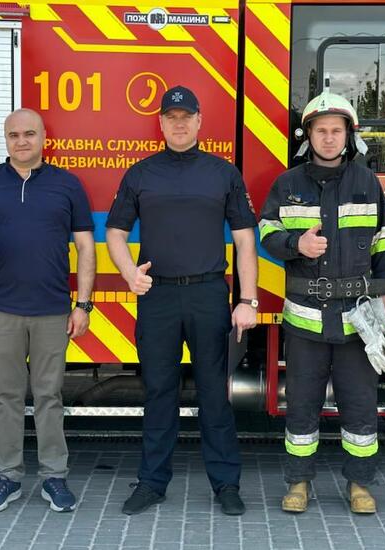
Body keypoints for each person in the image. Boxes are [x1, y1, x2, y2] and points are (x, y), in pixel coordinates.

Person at [106, 85, 258, 516]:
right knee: (159, 391)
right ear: (161, 123)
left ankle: (226, 484)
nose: (178, 124)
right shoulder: (140, 174)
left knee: (214, 393)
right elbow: (115, 233)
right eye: (171, 118)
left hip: (209, 293)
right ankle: (152, 483)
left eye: (186, 117)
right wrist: (129, 273)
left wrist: (247, 299)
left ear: (199, 121)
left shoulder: (223, 173)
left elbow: (245, 241)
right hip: (158, 296)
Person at [259, 90, 385, 514]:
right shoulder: (287, 184)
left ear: (348, 136)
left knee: (360, 406)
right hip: (306, 321)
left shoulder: (367, 183)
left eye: (336, 130)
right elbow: (266, 232)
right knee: (302, 407)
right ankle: (298, 482)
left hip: (358, 320)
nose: (328, 138)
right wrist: (295, 244)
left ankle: (360, 485)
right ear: (308, 135)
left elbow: (384, 242)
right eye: (320, 130)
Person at [0, 109, 95, 514]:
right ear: (6, 139)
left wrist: (83, 305)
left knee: (49, 396)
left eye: (29, 133)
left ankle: (54, 477)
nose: (21, 141)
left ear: (44, 137)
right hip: (2, 308)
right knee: (7, 396)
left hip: (52, 309)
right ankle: (7, 477)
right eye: (13, 135)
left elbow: (86, 246)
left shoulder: (67, 184)